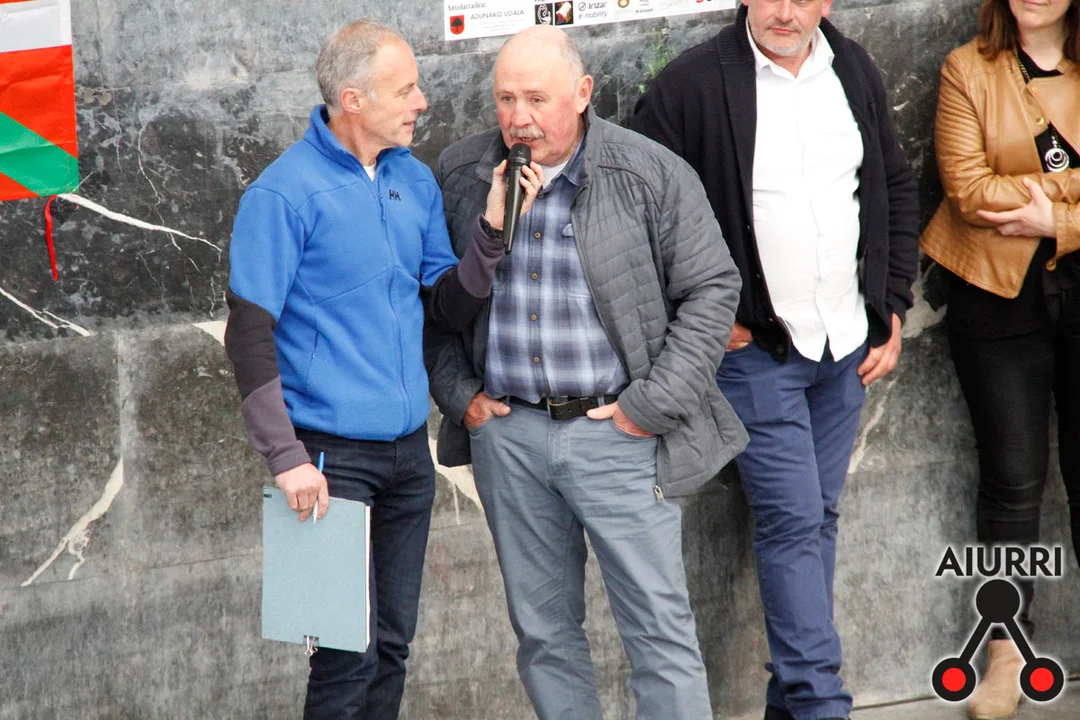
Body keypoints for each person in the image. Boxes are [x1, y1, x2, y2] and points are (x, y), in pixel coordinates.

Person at [426, 25, 747, 720]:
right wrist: (461, 397)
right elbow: (429, 301)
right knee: (544, 635)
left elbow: (713, 288)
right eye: (505, 98)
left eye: (536, 99)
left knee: (658, 632)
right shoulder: (461, 174)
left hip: (618, 433)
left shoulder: (648, 172)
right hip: (509, 434)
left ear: (582, 94)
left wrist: (650, 407)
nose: (518, 117)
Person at [224, 20, 541, 720]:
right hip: (327, 460)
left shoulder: (414, 180)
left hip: (407, 455)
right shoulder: (282, 195)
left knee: (392, 647)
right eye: (405, 90)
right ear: (352, 100)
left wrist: (492, 230)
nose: (421, 101)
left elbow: (446, 305)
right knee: (346, 657)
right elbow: (247, 336)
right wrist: (286, 457)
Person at [632, 1, 920, 719]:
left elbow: (893, 184)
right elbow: (634, 212)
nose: (785, 12)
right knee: (794, 521)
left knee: (816, 517)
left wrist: (890, 301)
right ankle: (822, 704)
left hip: (843, 346)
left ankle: (790, 705)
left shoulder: (853, 68)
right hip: (756, 353)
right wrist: (701, 317)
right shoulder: (692, 84)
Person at [920, 0, 1080, 717]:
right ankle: (1007, 653)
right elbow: (969, 189)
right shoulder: (968, 69)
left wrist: (1055, 218)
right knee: (1011, 482)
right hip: (996, 292)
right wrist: (1070, 196)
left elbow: (1000, 184)